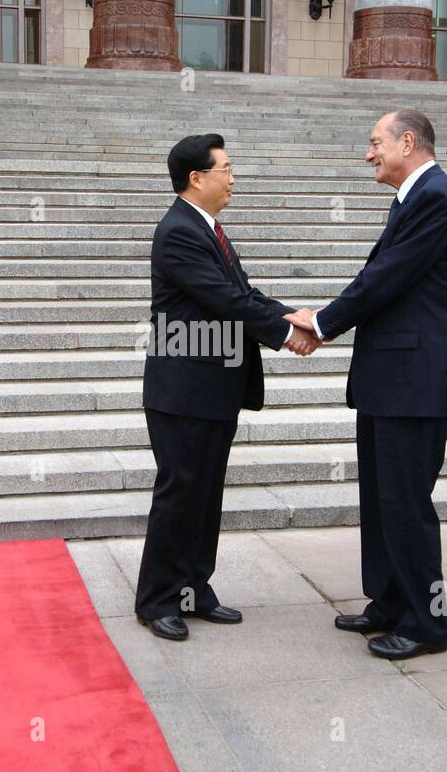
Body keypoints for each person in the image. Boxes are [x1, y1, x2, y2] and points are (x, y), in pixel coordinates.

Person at [290, 109, 447, 661]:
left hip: (415, 383)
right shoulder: (414, 199)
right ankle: (390, 603)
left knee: (406, 503)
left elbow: (385, 278)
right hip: (391, 380)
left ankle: (425, 624)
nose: (368, 154)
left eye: (375, 143)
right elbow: (384, 279)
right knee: (381, 499)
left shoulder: (438, 197)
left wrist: (321, 323)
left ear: (407, 141)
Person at [136, 134, 318, 641]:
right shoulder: (178, 232)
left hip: (212, 389)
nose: (233, 178)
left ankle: (194, 588)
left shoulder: (209, 229)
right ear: (197, 178)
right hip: (183, 392)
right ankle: (157, 600)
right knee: (180, 493)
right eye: (227, 169)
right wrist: (286, 334)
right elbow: (223, 301)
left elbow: (242, 292)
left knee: (206, 493)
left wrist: (291, 313)